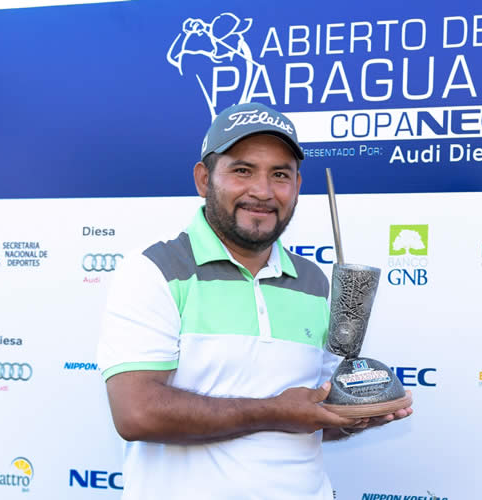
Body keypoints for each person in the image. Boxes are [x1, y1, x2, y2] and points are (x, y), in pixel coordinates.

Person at [97, 102, 412, 500]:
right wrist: (275, 410)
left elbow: (311, 414)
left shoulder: (316, 281)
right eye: (242, 170)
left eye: (280, 174)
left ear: (297, 186)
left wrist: (352, 417)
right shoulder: (155, 271)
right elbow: (137, 413)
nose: (262, 192)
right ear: (203, 178)